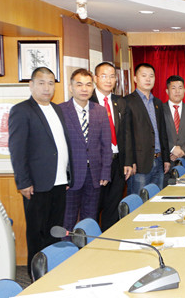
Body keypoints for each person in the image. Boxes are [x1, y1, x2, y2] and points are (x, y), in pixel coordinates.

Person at [8, 67, 72, 274]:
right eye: (41, 83)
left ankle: (52, 271)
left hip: (60, 182)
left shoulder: (57, 109)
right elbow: (17, 150)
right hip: (36, 184)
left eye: (51, 83)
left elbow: (62, 144)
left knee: (55, 230)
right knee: (37, 234)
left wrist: (68, 175)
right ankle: (35, 276)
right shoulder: (22, 110)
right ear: (31, 85)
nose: (47, 88)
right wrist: (23, 182)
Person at [59, 69, 112, 231]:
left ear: (93, 87)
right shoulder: (60, 111)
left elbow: (106, 144)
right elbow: (58, 148)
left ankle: (88, 247)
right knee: (67, 221)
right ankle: (67, 247)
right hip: (71, 177)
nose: (84, 89)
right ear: (71, 87)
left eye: (88, 85)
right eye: (79, 84)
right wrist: (62, 176)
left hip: (94, 175)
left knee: (90, 220)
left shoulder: (100, 111)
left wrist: (105, 172)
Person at [90, 61, 129, 231]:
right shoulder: (88, 101)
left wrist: (128, 161)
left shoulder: (120, 102)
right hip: (97, 165)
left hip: (118, 163)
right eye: (104, 76)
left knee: (113, 209)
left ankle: (109, 242)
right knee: (93, 209)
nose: (108, 80)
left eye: (112, 76)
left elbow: (126, 134)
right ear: (95, 78)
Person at [124, 63, 170, 194]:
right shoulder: (127, 101)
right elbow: (127, 135)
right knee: (139, 201)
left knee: (156, 199)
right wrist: (130, 161)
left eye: (151, 76)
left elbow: (162, 133)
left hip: (159, 160)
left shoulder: (157, 102)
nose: (148, 79)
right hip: (139, 163)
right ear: (135, 78)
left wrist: (166, 158)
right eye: (144, 75)